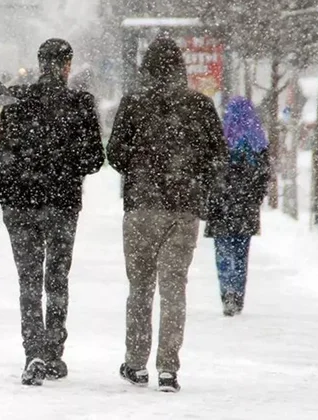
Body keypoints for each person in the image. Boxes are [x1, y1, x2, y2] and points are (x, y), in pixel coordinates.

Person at [106, 37, 228, 392]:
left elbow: (114, 153)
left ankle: (135, 363)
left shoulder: (133, 104)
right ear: (181, 68)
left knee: (140, 287)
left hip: (142, 207)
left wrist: (141, 165)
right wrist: (191, 174)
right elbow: (218, 157)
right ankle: (168, 368)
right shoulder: (200, 106)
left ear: (146, 68)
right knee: (175, 289)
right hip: (184, 209)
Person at [0, 38, 104, 385]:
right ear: (67, 65)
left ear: (40, 62)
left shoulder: (16, 100)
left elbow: (3, 155)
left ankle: (34, 351)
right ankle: (55, 351)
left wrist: (9, 194)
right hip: (62, 203)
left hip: (21, 203)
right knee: (56, 277)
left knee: (28, 279)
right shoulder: (80, 104)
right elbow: (93, 160)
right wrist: (64, 164)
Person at [204, 96, 270, 316]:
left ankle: (226, 293)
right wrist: (255, 198)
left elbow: (210, 172)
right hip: (246, 207)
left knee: (223, 251)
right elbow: (263, 175)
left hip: (221, 205)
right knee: (242, 253)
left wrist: (212, 195)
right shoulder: (258, 140)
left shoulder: (222, 136)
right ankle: (238, 295)